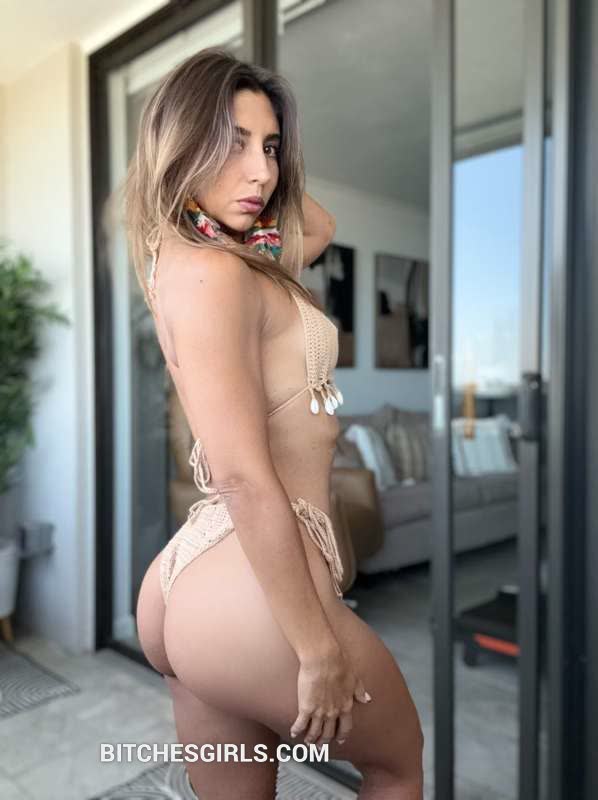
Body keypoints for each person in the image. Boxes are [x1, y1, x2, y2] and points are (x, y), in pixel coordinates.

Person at [129, 46, 424, 799]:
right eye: (231, 143)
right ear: (181, 144)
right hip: (251, 583)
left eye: (269, 148)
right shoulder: (215, 272)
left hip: (196, 580)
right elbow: (239, 475)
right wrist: (315, 648)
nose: (261, 172)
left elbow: (318, 224)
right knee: (398, 765)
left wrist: (259, 144)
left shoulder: (218, 262)